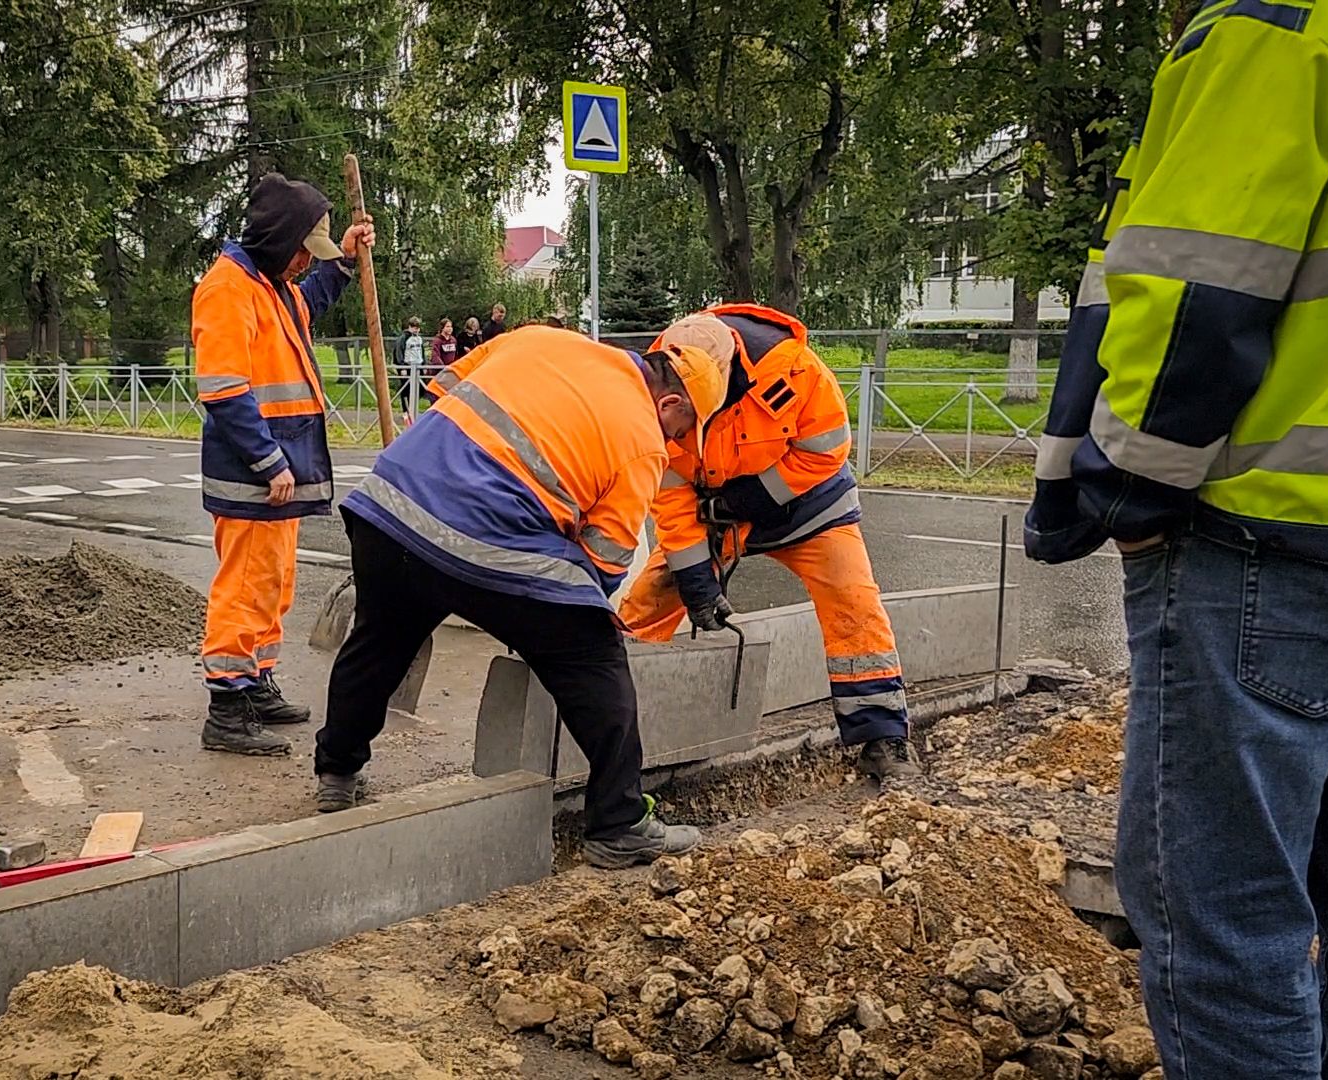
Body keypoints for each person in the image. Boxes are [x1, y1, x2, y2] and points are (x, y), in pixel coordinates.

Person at [1025, 8, 1328, 1079]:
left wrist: (1130, 502)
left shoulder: (1288, 24)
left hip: (1273, 543)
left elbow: (1201, 286)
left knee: (1224, 932)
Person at [313, 326, 728, 868]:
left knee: (380, 640)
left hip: (390, 507)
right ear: (670, 402)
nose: (676, 442)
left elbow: (444, 390)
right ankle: (618, 823)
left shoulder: (543, 339)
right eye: (683, 429)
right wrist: (549, 623)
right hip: (487, 538)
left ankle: (337, 772)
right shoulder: (643, 441)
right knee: (595, 657)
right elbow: (603, 565)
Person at [618, 306, 915, 779]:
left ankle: (883, 737)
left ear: (723, 375)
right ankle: (596, 711)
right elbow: (670, 493)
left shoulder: (795, 371)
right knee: (649, 602)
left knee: (852, 602)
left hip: (809, 507)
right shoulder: (660, 388)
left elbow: (825, 453)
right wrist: (696, 579)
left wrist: (745, 500)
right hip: (715, 514)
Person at [191, 172, 374, 756]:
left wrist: (342, 261)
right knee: (244, 589)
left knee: (273, 585)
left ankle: (256, 681)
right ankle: (227, 707)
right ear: (278, 239)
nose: (304, 263)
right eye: (303, 251)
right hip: (255, 472)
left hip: (278, 469)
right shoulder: (228, 288)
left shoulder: (272, 285)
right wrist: (270, 462)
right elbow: (222, 390)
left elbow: (312, 298)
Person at [393, 316, 426, 418]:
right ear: (410, 327)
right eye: (415, 328)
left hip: (417, 366)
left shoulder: (419, 339)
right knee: (406, 389)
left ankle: (413, 409)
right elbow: (399, 352)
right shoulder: (403, 338)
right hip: (407, 366)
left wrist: (423, 364)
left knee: (419, 389)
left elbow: (421, 352)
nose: (417, 330)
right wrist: (401, 366)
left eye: (418, 328)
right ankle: (405, 411)